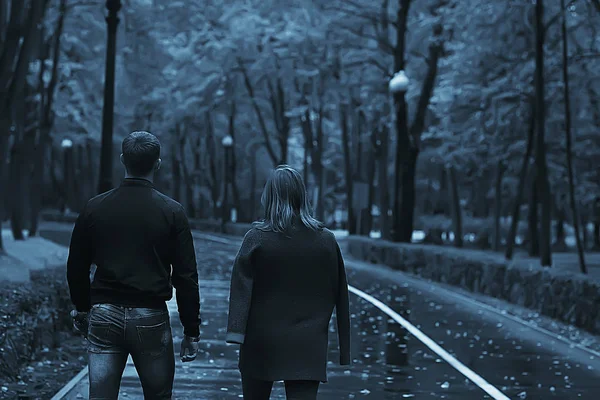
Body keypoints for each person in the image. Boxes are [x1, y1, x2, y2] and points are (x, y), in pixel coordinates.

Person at [66, 131, 201, 399]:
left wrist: (83, 309)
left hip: (104, 315)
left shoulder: (95, 208)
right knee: (158, 395)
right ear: (158, 163)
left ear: (122, 160)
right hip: (150, 316)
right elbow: (186, 277)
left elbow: (76, 266)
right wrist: (191, 331)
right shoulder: (172, 211)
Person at [226, 165, 351, 400]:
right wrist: (344, 348)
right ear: (302, 195)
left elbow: (241, 286)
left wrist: (236, 331)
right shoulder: (325, 241)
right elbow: (340, 294)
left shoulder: (257, 238)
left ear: (269, 196)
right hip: (308, 343)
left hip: (261, 341)